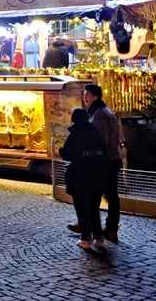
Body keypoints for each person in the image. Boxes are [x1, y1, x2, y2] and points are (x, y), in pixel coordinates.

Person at [59, 107, 108, 250]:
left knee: (81, 208)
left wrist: (62, 151)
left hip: (80, 175)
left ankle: (86, 238)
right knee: (94, 208)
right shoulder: (96, 132)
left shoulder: (76, 133)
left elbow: (68, 153)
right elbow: (104, 152)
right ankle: (99, 237)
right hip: (97, 174)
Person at [82, 83, 123, 243]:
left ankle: (95, 228)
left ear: (95, 96)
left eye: (87, 95)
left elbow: (99, 140)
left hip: (104, 161)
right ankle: (110, 228)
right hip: (112, 158)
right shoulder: (107, 111)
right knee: (111, 195)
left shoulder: (99, 114)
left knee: (95, 195)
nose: (85, 98)